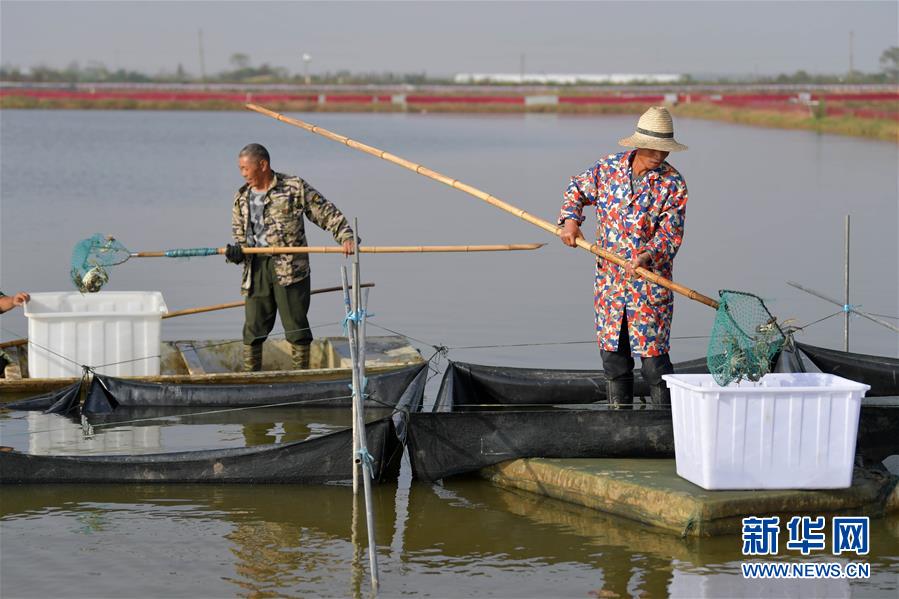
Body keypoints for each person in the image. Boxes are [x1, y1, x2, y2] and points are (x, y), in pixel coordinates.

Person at [558, 106, 688, 408]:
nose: (659, 155)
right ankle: (620, 421)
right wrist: (571, 221)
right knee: (614, 360)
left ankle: (664, 424)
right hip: (610, 284)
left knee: (654, 364)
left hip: (649, 283)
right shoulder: (608, 169)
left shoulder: (672, 183)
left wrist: (647, 255)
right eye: (653, 147)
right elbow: (576, 189)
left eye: (664, 149)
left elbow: (670, 234)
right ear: (639, 143)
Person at [225, 143, 356, 372]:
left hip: (291, 268)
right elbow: (240, 239)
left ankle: (300, 375)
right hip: (256, 268)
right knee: (253, 326)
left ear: (263, 165)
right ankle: (250, 376)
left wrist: (346, 236)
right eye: (240, 169)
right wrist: (235, 254)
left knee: (296, 325)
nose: (243, 174)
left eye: (246, 168)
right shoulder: (241, 197)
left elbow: (325, 212)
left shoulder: (293, 187)